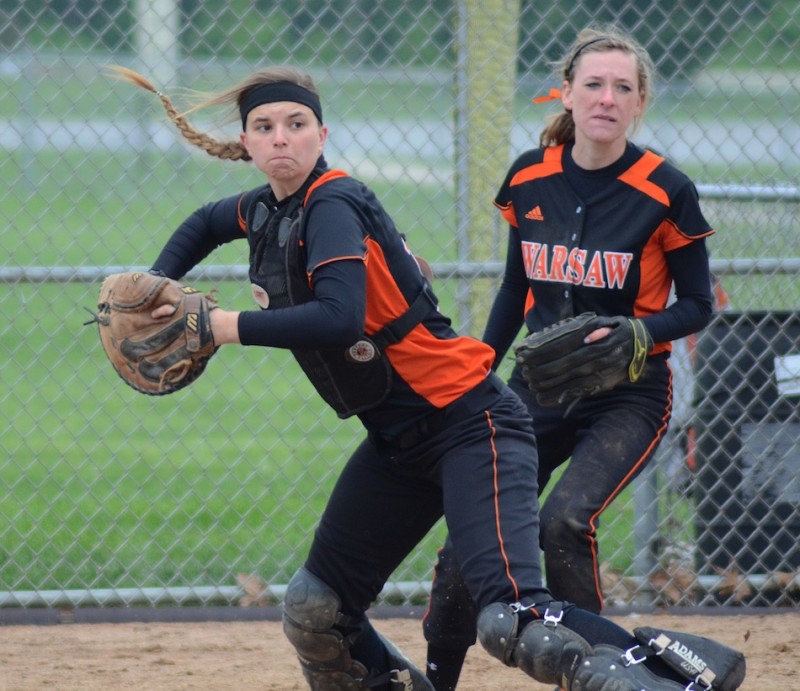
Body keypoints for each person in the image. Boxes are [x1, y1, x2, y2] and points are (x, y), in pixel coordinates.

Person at [110, 64, 732, 691]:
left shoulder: (331, 202)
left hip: (470, 426)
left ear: (321, 136)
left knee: (513, 621)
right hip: (398, 441)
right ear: (245, 142)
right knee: (315, 612)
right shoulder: (265, 210)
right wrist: (158, 288)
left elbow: (338, 316)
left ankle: (679, 676)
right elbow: (203, 223)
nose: (280, 138)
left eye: (296, 125)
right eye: (264, 127)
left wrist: (220, 326)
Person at [423, 25, 716, 690]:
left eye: (623, 87)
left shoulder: (665, 188)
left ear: (640, 101)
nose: (606, 97)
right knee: (475, 530)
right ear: (568, 93)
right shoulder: (530, 175)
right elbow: (514, 287)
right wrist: (478, 375)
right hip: (539, 384)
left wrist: (639, 331)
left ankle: (599, 675)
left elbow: (697, 303)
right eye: (593, 84)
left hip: (631, 391)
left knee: (563, 520)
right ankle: (437, 675)